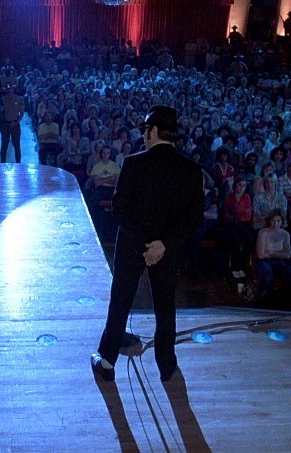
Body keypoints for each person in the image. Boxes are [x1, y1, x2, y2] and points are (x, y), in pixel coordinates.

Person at [92, 106, 204, 383]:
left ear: (153, 131)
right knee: (165, 306)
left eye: (145, 130)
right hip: (167, 250)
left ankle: (107, 361)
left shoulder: (133, 163)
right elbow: (193, 218)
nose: (144, 135)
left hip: (132, 246)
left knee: (120, 300)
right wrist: (162, 244)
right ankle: (167, 365)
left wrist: (145, 243)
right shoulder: (191, 170)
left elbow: (119, 210)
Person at [0, 84, 25, 163]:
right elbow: (1, 113)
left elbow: (22, 113)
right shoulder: (3, 99)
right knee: (4, 145)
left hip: (15, 125)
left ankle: (18, 163)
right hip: (5, 125)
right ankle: (2, 164)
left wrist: (16, 121)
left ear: (13, 89)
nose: (9, 90)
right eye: (8, 89)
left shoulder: (19, 99)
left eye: (11, 88)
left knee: (17, 145)